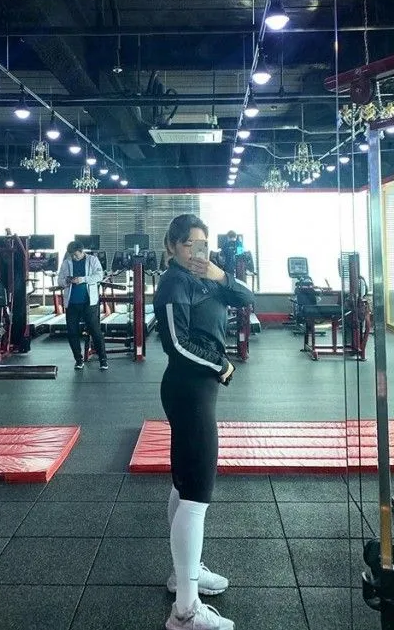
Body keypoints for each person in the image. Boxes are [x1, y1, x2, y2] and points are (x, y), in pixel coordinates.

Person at [153, 214, 255, 630]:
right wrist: (221, 365)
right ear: (172, 246)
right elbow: (176, 344)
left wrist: (219, 273)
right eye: (190, 244)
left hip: (199, 390)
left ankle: (184, 575)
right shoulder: (173, 284)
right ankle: (185, 612)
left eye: (203, 244)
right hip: (188, 388)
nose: (198, 251)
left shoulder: (206, 277)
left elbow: (246, 297)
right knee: (196, 494)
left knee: (185, 485)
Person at [57, 240, 108, 370]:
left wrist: (83, 279)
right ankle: (78, 360)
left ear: (82, 251)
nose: (74, 257)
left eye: (76, 255)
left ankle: (103, 360)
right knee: (72, 332)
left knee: (95, 331)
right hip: (72, 303)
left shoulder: (92, 260)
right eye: (72, 255)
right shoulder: (66, 263)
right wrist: (67, 281)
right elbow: (60, 281)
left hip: (89, 303)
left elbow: (99, 275)